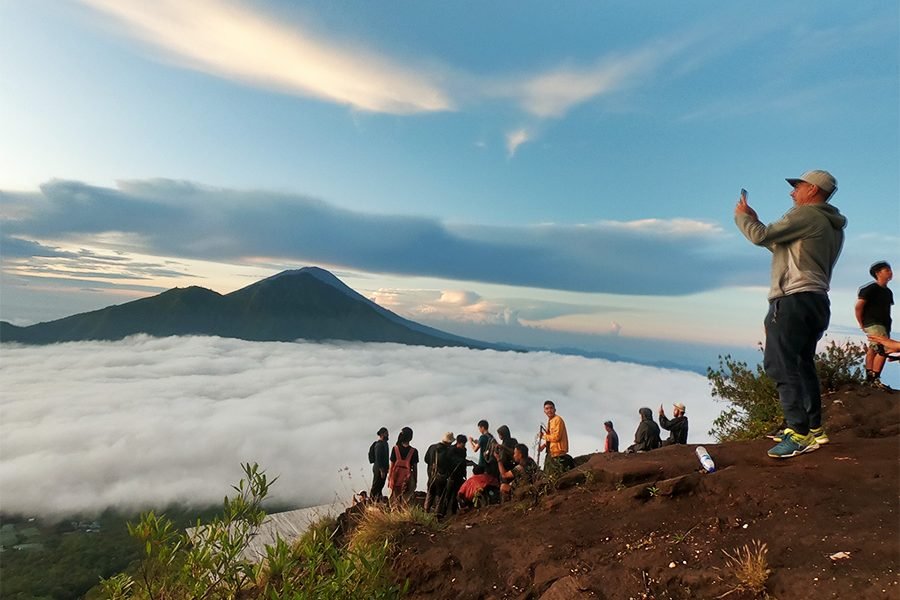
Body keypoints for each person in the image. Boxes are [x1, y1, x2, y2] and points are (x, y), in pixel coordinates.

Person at [735, 170, 846, 458]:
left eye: (797, 186)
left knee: (779, 364)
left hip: (792, 299)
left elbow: (761, 236)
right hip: (817, 300)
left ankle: (798, 433)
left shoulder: (806, 215)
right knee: (802, 363)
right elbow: (780, 245)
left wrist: (744, 216)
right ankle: (814, 429)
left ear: (813, 189)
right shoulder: (832, 226)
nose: (792, 192)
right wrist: (758, 225)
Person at [856, 261, 893, 391]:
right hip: (873, 322)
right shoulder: (870, 289)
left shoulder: (888, 292)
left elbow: (886, 310)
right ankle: (875, 379)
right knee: (884, 349)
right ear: (878, 273)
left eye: (890, 270)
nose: (890, 272)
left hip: (883, 324)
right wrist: (861, 323)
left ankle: (869, 378)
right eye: (886, 270)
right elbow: (859, 307)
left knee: (873, 349)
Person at [539, 400, 574, 474]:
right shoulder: (551, 421)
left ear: (555, 409)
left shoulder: (558, 420)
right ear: (544, 411)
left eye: (551, 408)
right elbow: (552, 436)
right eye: (547, 408)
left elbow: (556, 437)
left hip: (558, 453)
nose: (549, 410)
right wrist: (545, 445)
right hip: (551, 452)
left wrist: (543, 436)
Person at [423, 432, 454, 512]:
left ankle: (425, 511)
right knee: (439, 495)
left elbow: (426, 459)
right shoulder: (447, 452)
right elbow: (450, 465)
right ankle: (437, 515)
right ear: (449, 442)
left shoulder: (432, 447)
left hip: (431, 475)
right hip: (441, 477)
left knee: (430, 492)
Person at [388, 427, 418, 506]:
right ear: (411, 437)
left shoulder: (395, 449)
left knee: (394, 499)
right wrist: (415, 480)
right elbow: (415, 468)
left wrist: (390, 478)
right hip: (408, 478)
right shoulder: (414, 451)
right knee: (406, 500)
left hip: (396, 477)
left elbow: (392, 466)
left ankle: (394, 516)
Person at [369, 427, 390, 500]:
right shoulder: (379, 445)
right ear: (382, 434)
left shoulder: (385, 444)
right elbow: (378, 458)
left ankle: (377, 499)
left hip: (383, 468)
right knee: (376, 485)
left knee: (380, 485)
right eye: (386, 433)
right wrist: (381, 470)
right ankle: (371, 500)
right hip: (379, 468)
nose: (388, 435)